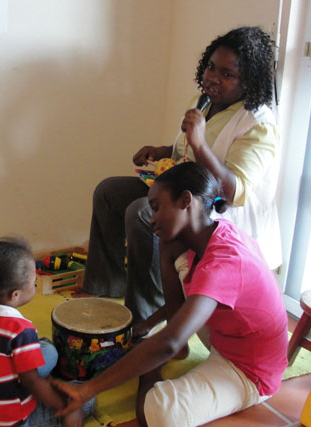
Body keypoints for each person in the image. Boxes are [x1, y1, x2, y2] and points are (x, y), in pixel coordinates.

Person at [53, 162, 288, 427]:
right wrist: (152, 320)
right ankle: (155, 356)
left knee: (157, 413)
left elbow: (171, 340)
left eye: (156, 207)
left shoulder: (223, 262)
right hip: (227, 335)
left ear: (186, 200)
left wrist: (88, 389)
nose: (151, 218)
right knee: (181, 264)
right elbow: (183, 310)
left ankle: (151, 370)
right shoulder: (210, 233)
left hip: (250, 370)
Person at [81, 26, 281, 325]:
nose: (213, 77)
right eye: (211, 67)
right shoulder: (204, 101)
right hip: (181, 193)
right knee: (109, 192)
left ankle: (147, 317)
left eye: (227, 74)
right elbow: (184, 151)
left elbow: (232, 191)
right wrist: (162, 151)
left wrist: (199, 142)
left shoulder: (259, 123)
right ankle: (108, 287)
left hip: (219, 214)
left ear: (248, 82)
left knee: (141, 212)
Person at [0, 238, 95, 427]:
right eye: (33, 282)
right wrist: (67, 407)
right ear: (15, 294)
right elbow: (31, 383)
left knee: (45, 349)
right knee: (86, 399)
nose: (35, 285)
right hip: (16, 421)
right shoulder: (21, 330)